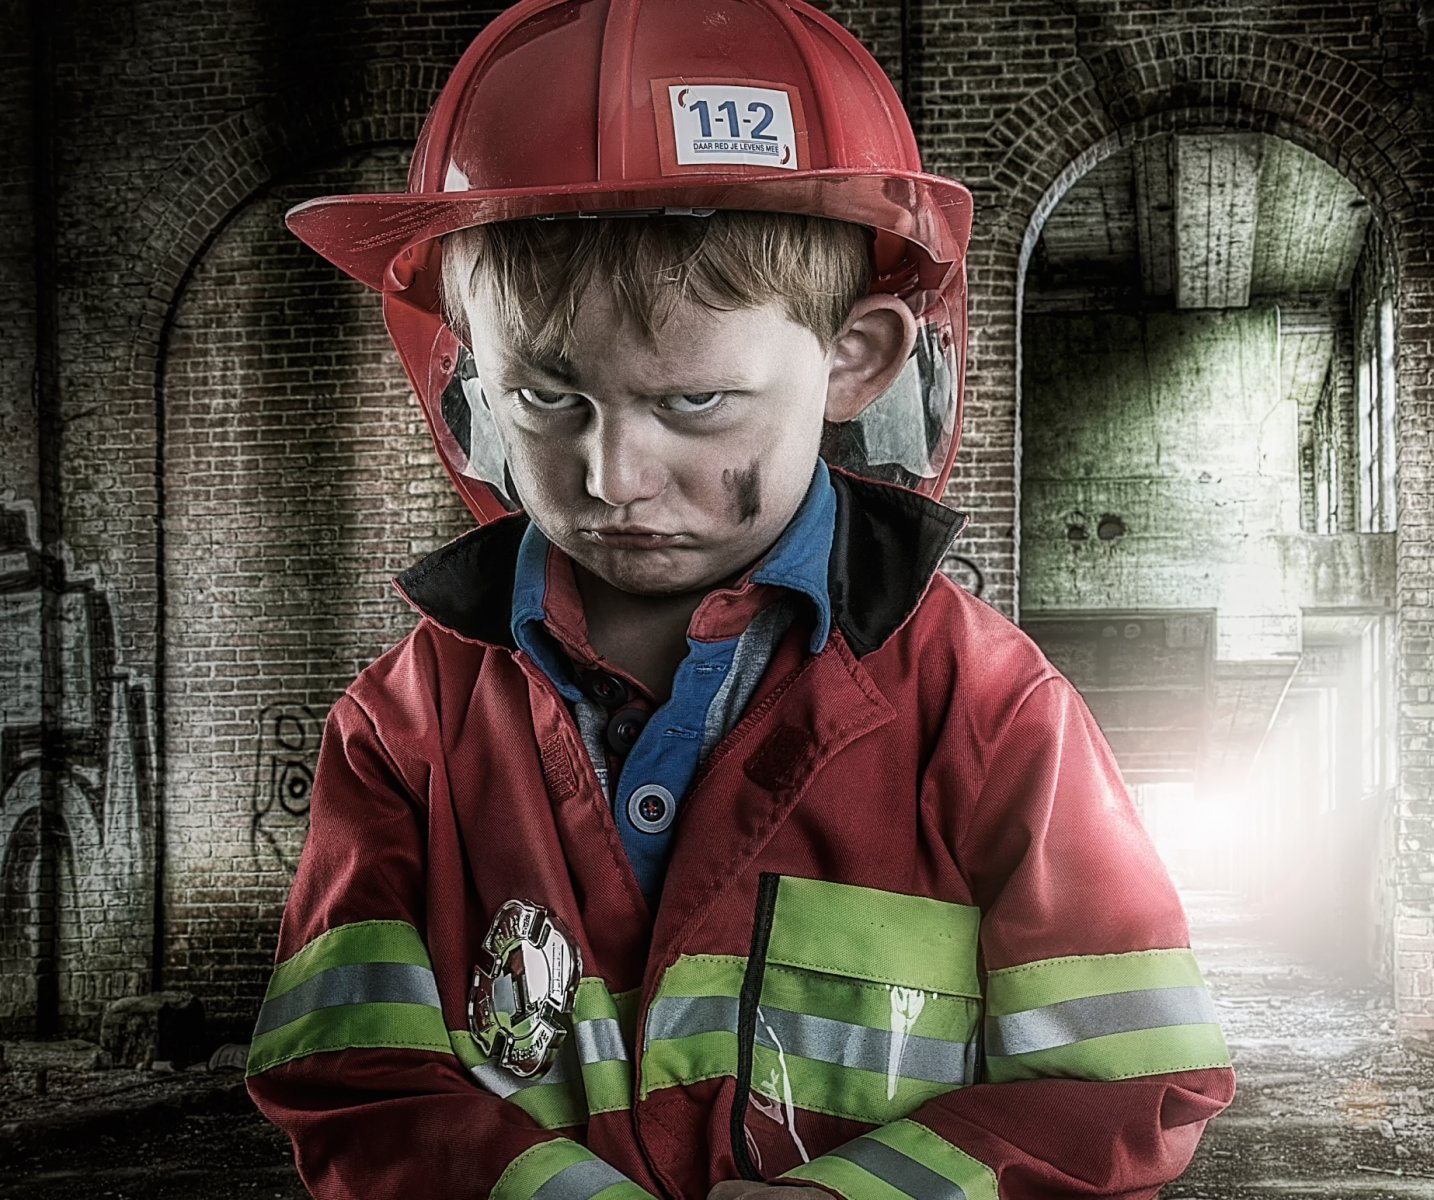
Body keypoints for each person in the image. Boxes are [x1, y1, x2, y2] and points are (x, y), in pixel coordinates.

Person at [243, 2, 1235, 1197]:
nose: (610, 476)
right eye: (548, 400)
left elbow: (1131, 1081)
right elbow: (351, 1075)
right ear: (468, 378)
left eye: (693, 403)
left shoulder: (990, 712)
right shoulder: (403, 732)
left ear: (858, 359)